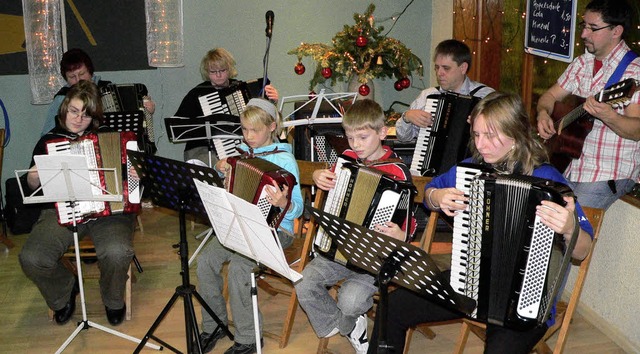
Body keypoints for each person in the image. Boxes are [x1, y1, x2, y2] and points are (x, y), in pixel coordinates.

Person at [368, 92, 594, 354]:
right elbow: (429, 192)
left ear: (515, 134)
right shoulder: (471, 169)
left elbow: (583, 251)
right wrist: (437, 196)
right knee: (393, 305)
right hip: (468, 280)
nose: (481, 144)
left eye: (490, 135)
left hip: (524, 302)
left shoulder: (549, 181)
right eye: (476, 135)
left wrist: (569, 229)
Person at [295, 99, 417, 354]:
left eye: (362, 137)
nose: (356, 145)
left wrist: (402, 234)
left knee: (349, 300)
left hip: (373, 260)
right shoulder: (346, 159)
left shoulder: (397, 172)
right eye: (350, 137)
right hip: (336, 249)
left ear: (382, 133)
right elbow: (327, 178)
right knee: (303, 282)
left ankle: (348, 321)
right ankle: (346, 326)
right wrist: (319, 177)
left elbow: (411, 220)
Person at [20, 81, 136, 326]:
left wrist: (134, 177)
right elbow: (35, 188)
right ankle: (64, 290)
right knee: (32, 257)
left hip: (108, 211)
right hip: (62, 208)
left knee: (117, 251)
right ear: (64, 108)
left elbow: (133, 178)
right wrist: (33, 177)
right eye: (74, 110)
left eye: (86, 114)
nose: (78, 118)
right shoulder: (49, 141)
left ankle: (113, 299)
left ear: (94, 116)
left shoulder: (108, 136)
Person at [195, 98, 303, 354]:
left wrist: (284, 201)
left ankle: (249, 338)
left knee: (239, 268)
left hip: (277, 230)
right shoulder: (242, 155)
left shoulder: (285, 160)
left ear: (272, 127)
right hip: (240, 225)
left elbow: (298, 209)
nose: (248, 136)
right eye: (244, 130)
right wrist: (221, 170)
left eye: (255, 130)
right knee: (205, 260)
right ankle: (214, 324)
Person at [536, 0, 640, 210]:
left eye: (593, 28)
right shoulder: (582, 63)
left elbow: (637, 130)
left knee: (568, 229)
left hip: (607, 172)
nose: (584, 34)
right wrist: (543, 114)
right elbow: (548, 97)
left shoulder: (634, 71)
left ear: (616, 31)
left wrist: (609, 115)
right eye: (584, 26)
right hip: (569, 162)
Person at [174, 47, 279, 166]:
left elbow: (264, 118)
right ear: (206, 72)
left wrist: (273, 102)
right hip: (203, 147)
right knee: (220, 168)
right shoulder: (196, 93)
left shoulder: (243, 89)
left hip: (239, 144)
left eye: (222, 70)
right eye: (213, 72)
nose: (218, 75)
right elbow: (178, 125)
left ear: (229, 69)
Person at [395, 39, 494, 142]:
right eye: (437, 67)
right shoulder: (427, 96)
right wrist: (407, 117)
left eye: (446, 68)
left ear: (463, 68)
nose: (439, 73)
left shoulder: (486, 96)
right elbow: (403, 138)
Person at [40, 48, 156, 136]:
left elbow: (133, 124)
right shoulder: (62, 98)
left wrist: (146, 111)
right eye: (72, 77)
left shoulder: (107, 89)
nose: (78, 80)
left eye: (81, 74)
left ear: (90, 72)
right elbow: (47, 134)